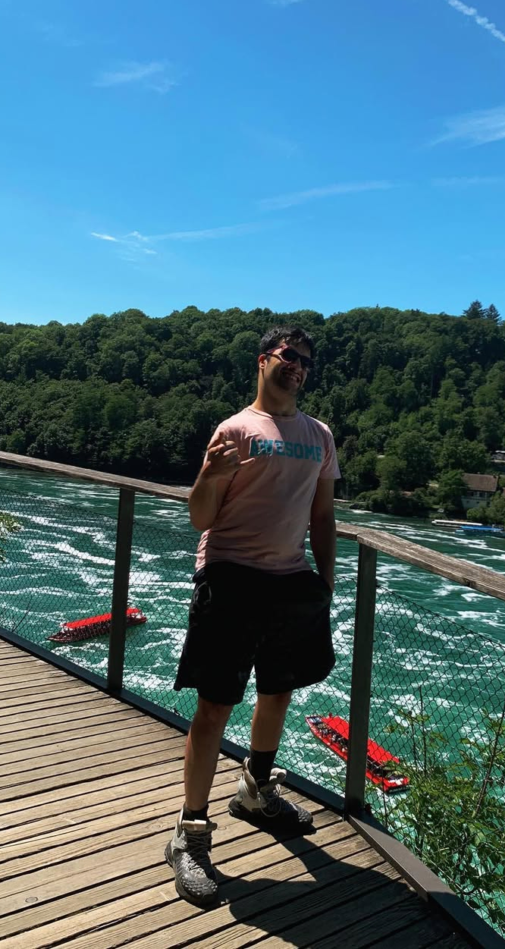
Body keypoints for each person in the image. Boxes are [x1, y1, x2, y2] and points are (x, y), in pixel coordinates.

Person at [165, 325, 340, 907]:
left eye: (307, 362)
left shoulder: (319, 436)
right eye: (291, 357)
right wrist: (209, 476)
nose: (299, 368)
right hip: (231, 573)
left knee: (279, 690)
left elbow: (321, 516)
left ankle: (255, 790)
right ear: (264, 360)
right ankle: (189, 835)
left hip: (291, 579)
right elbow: (200, 518)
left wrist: (326, 580)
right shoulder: (235, 429)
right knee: (215, 705)